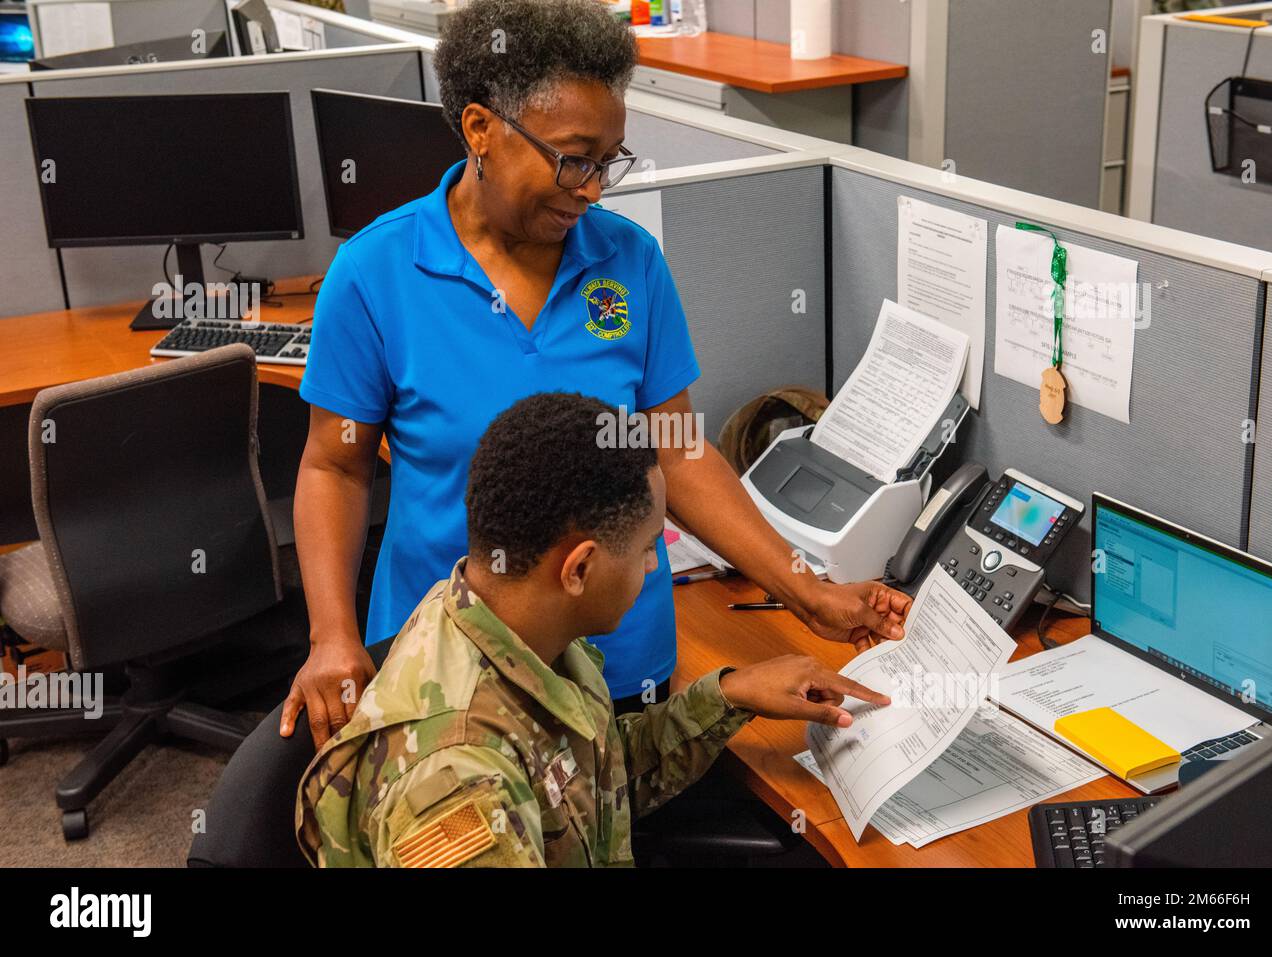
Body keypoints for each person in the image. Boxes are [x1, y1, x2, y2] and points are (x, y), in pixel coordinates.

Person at [283, 0, 913, 748]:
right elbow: (336, 465)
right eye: (572, 157)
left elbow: (674, 450)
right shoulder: (375, 273)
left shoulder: (628, 261)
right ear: (481, 130)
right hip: (449, 672)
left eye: (608, 160)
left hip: (618, 660)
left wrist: (806, 591)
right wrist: (331, 634)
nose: (591, 189)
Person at [295, 393, 900, 867]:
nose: (652, 565)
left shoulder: (502, 620)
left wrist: (730, 694)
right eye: (645, 549)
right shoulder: (456, 788)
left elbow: (585, 782)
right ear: (579, 568)